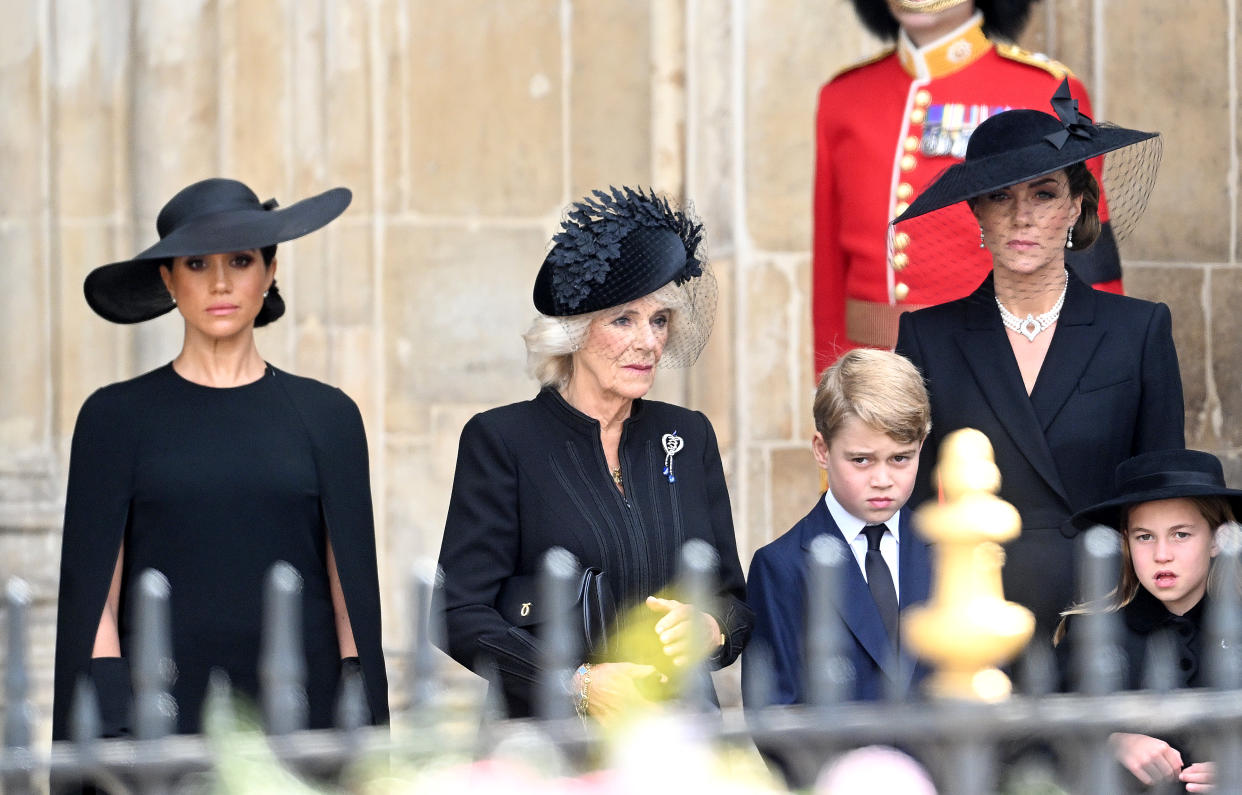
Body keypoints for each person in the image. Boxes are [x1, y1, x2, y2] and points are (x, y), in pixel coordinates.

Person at [51, 178, 389, 743]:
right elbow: (93, 600)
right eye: (197, 264)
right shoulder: (114, 417)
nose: (222, 282)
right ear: (168, 279)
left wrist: (360, 734)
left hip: (302, 720)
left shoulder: (328, 416)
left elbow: (350, 592)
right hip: (159, 725)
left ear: (271, 271)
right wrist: (116, 728)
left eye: (240, 260)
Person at [436, 186, 752, 720]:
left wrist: (714, 627)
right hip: (553, 740)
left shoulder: (688, 435)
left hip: (677, 736)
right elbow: (458, 612)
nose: (649, 342)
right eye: (623, 320)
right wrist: (572, 683)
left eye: (659, 320)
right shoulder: (503, 441)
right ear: (574, 333)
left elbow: (733, 598)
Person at [893, 81, 1182, 642]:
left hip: (1107, 616)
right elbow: (912, 507)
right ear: (976, 210)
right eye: (1001, 196)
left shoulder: (1139, 331)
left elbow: (1162, 501)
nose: (1022, 216)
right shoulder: (927, 337)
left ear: (1076, 205)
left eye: (1044, 194)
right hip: (977, 619)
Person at [812, 0, 1123, 366]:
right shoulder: (843, 97)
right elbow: (830, 268)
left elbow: (1088, 259)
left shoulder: (1042, 91)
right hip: (870, 376)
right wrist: (829, 385)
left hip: (995, 368)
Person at [744, 349, 933, 706]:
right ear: (821, 449)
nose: (882, 480)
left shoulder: (949, 549)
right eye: (861, 460)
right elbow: (776, 713)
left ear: (921, 447)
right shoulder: (780, 567)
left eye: (900, 458)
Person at [1056, 449, 1240, 793]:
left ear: (1218, 539)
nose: (1161, 554)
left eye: (1181, 534)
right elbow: (1037, 734)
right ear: (1125, 541)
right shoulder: (1092, 632)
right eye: (1145, 536)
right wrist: (1113, 740)